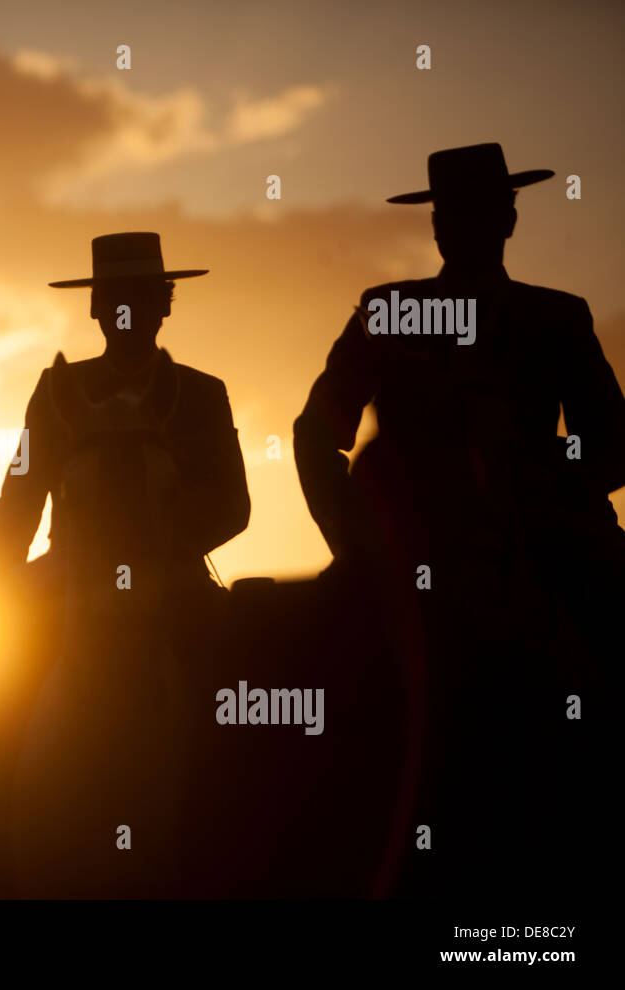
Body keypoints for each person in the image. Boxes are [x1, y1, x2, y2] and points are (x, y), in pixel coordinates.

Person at [294, 143, 625, 897]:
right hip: (411, 546)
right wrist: (352, 542)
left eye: (479, 209)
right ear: (438, 227)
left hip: (543, 540)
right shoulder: (389, 311)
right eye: (452, 214)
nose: (463, 226)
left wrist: (536, 477)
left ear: (507, 218)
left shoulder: (557, 318)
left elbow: (614, 444)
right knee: (301, 671)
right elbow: (317, 432)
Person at [0, 232, 251, 897]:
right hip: (66, 579)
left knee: (244, 691)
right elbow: (18, 502)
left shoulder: (203, 394)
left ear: (164, 304)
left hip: (173, 576)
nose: (128, 309)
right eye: (116, 297)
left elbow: (234, 506)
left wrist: (158, 536)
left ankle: (240, 842)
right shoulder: (55, 391)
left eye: (142, 296)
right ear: (97, 309)